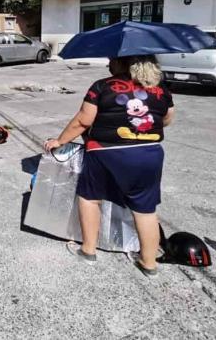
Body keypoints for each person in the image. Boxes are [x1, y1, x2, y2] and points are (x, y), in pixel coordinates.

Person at [44, 55, 175, 276]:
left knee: (90, 198)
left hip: (106, 152)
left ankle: (88, 251)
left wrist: (59, 141)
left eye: (112, 60)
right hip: (149, 153)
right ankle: (149, 263)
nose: (108, 64)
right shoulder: (161, 89)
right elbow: (167, 118)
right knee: (145, 209)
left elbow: (83, 121)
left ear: (124, 62)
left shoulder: (102, 86)